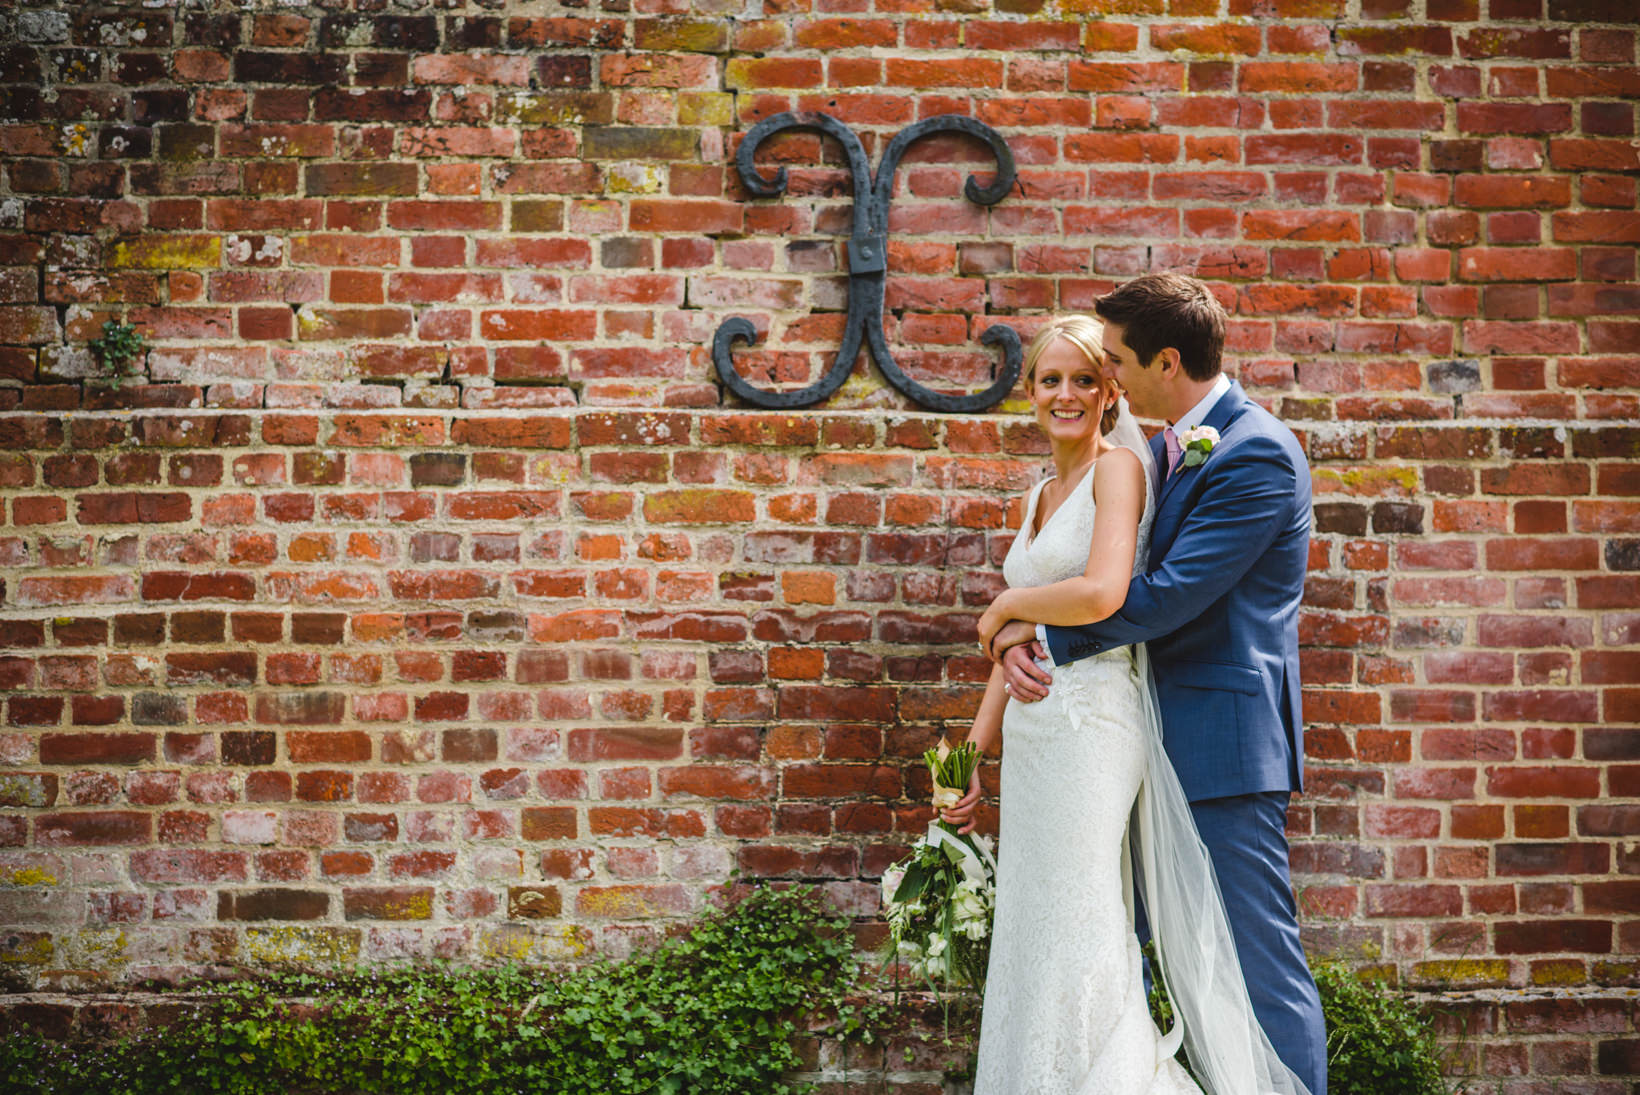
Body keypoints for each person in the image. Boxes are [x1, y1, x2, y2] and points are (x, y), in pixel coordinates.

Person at [952, 274, 1326, 1095]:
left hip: (1219, 745)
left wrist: (1025, 620)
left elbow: (1165, 595)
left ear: (1163, 360)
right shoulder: (1167, 447)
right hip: (1135, 730)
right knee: (1161, 962)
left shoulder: (1254, 449)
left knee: (1255, 966)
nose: (1104, 380)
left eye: (1112, 362)